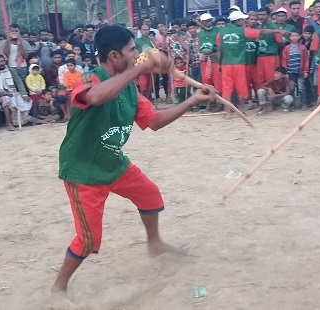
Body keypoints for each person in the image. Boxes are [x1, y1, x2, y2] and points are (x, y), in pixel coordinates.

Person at [49, 25, 217, 306]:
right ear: (114, 56)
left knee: (149, 195)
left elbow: (155, 122)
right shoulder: (91, 77)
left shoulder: (130, 89)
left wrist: (192, 100)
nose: (138, 54)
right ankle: (58, 288)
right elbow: (95, 97)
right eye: (132, 50)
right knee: (88, 240)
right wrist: (138, 71)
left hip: (113, 162)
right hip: (84, 171)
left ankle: (155, 243)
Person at [217, 10, 286, 113]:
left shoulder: (221, 32)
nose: (244, 21)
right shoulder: (243, 31)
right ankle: (241, 110)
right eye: (242, 19)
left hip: (226, 64)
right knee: (241, 87)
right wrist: (277, 31)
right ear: (238, 21)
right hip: (239, 64)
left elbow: (219, 50)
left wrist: (219, 63)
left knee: (227, 89)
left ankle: (227, 113)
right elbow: (262, 32)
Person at [0, 54, 31, 131]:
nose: (1, 63)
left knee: (25, 99)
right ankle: (9, 123)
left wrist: (24, 94)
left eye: (2, 61)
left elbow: (19, 83)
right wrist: (4, 93)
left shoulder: (11, 71)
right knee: (6, 100)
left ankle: (22, 121)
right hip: (1, 95)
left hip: (14, 93)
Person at [256, 7, 284, 92]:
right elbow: (257, 43)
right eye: (259, 15)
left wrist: (274, 52)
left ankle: (273, 100)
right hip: (260, 57)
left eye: (263, 14)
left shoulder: (274, 27)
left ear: (268, 15)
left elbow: (280, 43)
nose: (261, 17)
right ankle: (263, 101)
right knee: (260, 79)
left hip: (271, 57)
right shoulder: (257, 28)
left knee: (271, 78)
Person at [282, 30, 310, 111]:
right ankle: (292, 105)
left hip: (300, 71)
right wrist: (285, 72)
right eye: (292, 36)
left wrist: (305, 70)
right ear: (290, 37)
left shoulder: (302, 47)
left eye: (296, 35)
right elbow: (284, 60)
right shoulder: (287, 48)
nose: (294, 37)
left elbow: (306, 60)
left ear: (299, 37)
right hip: (290, 72)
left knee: (301, 88)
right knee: (292, 88)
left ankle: (303, 104)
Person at [198, 14, 223, 99]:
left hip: (215, 58)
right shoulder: (200, 33)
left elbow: (221, 46)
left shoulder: (218, 31)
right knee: (206, 81)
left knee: (218, 81)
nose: (208, 22)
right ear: (202, 22)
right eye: (206, 21)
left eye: (209, 20)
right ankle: (209, 103)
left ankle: (220, 102)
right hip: (205, 60)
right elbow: (199, 46)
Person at [135, 25, 156, 99]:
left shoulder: (152, 40)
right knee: (143, 84)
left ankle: (147, 99)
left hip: (151, 64)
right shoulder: (136, 41)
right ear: (140, 31)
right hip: (141, 64)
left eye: (147, 30)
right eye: (143, 30)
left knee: (150, 84)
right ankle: (143, 99)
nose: (145, 31)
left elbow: (155, 50)